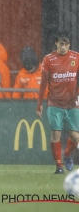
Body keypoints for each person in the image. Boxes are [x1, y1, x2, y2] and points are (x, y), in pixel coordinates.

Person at [36, 29, 79, 174]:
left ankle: (67, 153)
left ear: (69, 44)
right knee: (56, 134)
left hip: (72, 103)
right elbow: (43, 83)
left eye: (66, 44)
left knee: (75, 137)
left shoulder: (76, 57)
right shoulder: (48, 59)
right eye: (61, 44)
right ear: (56, 43)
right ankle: (59, 166)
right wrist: (39, 104)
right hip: (54, 103)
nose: (64, 47)